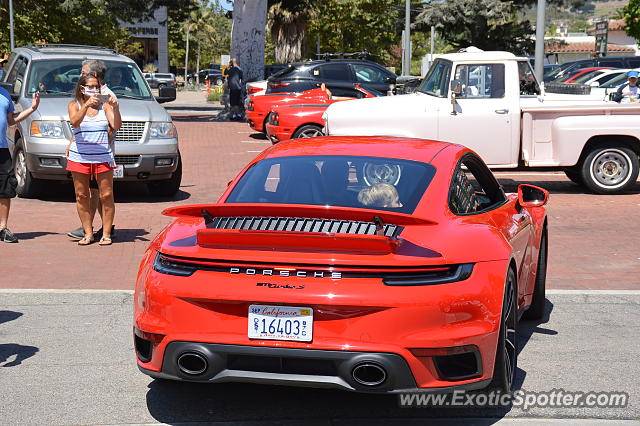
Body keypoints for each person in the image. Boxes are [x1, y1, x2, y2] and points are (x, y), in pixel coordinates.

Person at [66, 73, 121, 245]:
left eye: (97, 87)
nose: (94, 90)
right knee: (82, 195)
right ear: (82, 89)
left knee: (107, 194)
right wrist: (86, 106)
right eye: (90, 86)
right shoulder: (74, 105)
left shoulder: (104, 106)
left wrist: (116, 108)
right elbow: (74, 122)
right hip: (79, 157)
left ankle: (106, 234)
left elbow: (116, 125)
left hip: (102, 156)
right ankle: (88, 233)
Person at [0, 89, 40, 243]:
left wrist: (32, 108)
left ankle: (2, 228)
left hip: (2, 149)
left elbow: (10, 120)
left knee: (6, 188)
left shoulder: (4, 93)